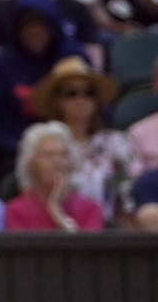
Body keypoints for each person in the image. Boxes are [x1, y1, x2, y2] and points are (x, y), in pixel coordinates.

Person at [32, 57, 136, 224]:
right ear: (56, 101)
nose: (80, 99)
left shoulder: (116, 142)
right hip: (52, 230)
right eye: (71, 93)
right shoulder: (43, 145)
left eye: (89, 92)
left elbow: (129, 196)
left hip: (109, 235)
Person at [0, 0, 84, 171]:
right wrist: (30, 152)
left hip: (70, 147)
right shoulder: (2, 64)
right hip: (16, 149)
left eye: (42, 25)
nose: (36, 32)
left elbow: (89, 105)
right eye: (28, 26)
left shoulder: (70, 56)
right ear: (17, 29)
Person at [4, 122, 105, 231]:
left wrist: (56, 210)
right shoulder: (16, 211)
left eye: (63, 154)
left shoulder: (90, 209)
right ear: (31, 164)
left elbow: (87, 247)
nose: (57, 161)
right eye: (48, 155)